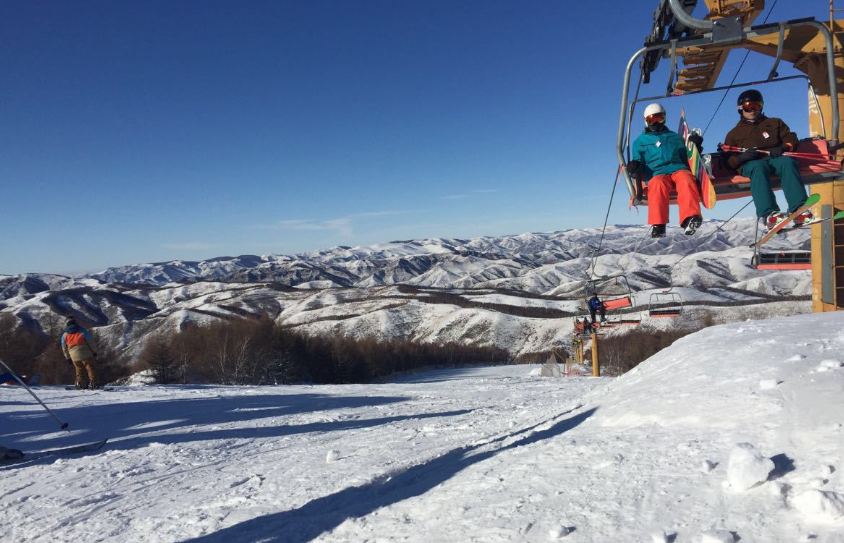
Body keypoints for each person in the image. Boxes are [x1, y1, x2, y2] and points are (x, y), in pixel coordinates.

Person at [723, 89, 813, 231]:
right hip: (751, 164)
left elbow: (790, 137)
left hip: (774, 158)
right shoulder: (734, 134)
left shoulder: (774, 123)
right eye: (748, 106)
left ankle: (799, 210)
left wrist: (784, 147)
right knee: (758, 167)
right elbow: (728, 160)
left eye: (756, 106)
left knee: (787, 162)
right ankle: (769, 214)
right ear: (741, 108)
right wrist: (742, 157)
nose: (752, 110)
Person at [627, 103, 704, 238]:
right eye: (651, 119)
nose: (656, 122)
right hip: (656, 172)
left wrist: (696, 146)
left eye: (659, 118)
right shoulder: (640, 142)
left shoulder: (675, 137)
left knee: (686, 179)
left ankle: (689, 218)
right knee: (657, 184)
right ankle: (659, 224)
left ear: (665, 118)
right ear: (646, 121)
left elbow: (688, 156)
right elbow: (638, 161)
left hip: (678, 168)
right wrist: (634, 167)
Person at [61, 318, 100, 390]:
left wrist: (68, 358)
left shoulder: (64, 335)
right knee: (90, 368)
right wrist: (95, 352)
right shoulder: (83, 331)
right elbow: (91, 342)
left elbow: (64, 348)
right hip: (86, 354)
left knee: (79, 370)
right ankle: (94, 383)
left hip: (74, 356)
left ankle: (80, 383)